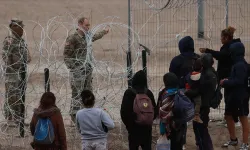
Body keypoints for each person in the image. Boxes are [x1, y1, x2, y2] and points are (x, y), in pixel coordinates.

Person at [63, 17, 109, 123]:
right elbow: (66, 56)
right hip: (78, 71)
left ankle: (87, 116)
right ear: (79, 25)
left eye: (89, 25)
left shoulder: (87, 36)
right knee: (77, 93)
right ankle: (74, 117)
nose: (88, 27)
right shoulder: (73, 38)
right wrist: (75, 68)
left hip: (87, 70)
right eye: (86, 25)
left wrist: (104, 32)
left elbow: (95, 36)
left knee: (88, 92)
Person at [200, 26, 241, 127]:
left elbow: (221, 55)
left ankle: (233, 120)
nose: (220, 39)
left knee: (231, 99)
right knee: (228, 98)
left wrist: (208, 50)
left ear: (226, 37)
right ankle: (228, 118)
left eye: (221, 37)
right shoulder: (231, 45)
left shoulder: (231, 47)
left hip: (230, 76)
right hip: (227, 76)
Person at [169, 36, 199, 149]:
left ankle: (182, 142)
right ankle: (199, 142)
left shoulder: (177, 60)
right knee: (197, 118)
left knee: (181, 120)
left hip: (181, 95)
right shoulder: (198, 59)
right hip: (196, 93)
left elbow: (171, 76)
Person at [220, 42, 249, 150]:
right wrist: (228, 80)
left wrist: (226, 82)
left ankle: (245, 143)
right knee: (228, 116)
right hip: (233, 96)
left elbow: (239, 81)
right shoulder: (237, 64)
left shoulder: (240, 65)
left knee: (243, 118)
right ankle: (233, 139)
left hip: (240, 97)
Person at [2, 19, 31, 125]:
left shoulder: (21, 41)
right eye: (20, 27)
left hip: (21, 72)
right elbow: (6, 56)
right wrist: (13, 68)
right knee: (11, 96)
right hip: (12, 74)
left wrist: (27, 59)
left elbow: (27, 54)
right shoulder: (9, 40)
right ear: (14, 28)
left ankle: (18, 118)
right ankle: (10, 118)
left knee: (20, 95)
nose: (22, 30)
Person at [120, 70, 157, 150]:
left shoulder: (129, 93)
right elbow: (155, 110)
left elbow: (124, 112)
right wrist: (147, 120)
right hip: (146, 128)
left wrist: (129, 125)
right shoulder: (148, 93)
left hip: (133, 128)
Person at [193, 53, 216, 150]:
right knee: (201, 127)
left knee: (200, 128)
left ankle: (205, 147)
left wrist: (189, 92)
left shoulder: (206, 75)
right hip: (206, 103)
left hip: (203, 104)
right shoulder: (212, 72)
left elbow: (199, 89)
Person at [157, 72, 187, 150]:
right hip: (179, 125)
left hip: (168, 127)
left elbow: (161, 112)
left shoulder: (163, 94)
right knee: (177, 145)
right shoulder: (181, 93)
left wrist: (162, 129)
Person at [185, 58, 203, 123]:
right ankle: (196, 115)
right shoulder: (201, 76)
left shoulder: (189, 74)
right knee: (198, 103)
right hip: (196, 93)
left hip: (189, 91)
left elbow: (187, 79)